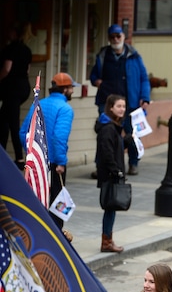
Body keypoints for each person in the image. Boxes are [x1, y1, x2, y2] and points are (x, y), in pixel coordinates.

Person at [90, 24, 150, 175]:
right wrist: (97, 81)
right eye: (112, 37)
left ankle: (133, 163)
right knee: (105, 135)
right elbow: (93, 75)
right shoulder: (103, 55)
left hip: (130, 102)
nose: (116, 39)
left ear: (124, 37)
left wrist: (145, 98)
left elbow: (144, 78)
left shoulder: (134, 56)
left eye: (118, 36)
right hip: (107, 103)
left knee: (131, 133)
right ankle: (101, 166)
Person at [19, 72, 78, 230]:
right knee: (56, 203)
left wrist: (31, 154)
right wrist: (60, 162)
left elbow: (23, 132)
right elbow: (59, 137)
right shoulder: (65, 109)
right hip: (54, 163)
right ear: (64, 89)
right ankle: (56, 239)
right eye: (71, 88)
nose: (73, 91)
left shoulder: (38, 104)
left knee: (38, 200)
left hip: (37, 163)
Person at [95, 94, 128, 253]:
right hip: (110, 175)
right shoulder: (108, 128)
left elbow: (114, 148)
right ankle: (106, 242)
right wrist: (116, 171)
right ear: (111, 108)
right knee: (110, 208)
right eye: (119, 106)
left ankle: (108, 240)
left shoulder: (113, 126)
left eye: (123, 106)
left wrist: (127, 140)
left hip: (112, 173)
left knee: (111, 208)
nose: (122, 109)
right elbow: (107, 153)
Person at [0, 22, 31, 169]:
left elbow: (6, 69)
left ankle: (19, 158)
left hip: (12, 89)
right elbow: (27, 70)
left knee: (12, 123)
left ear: (15, 33)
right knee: (4, 120)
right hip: (23, 88)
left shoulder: (10, 49)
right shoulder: (26, 49)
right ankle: (3, 153)